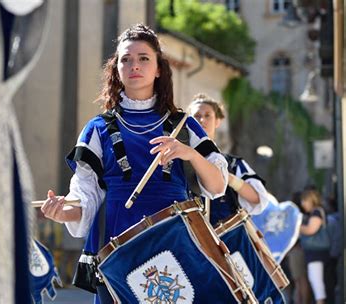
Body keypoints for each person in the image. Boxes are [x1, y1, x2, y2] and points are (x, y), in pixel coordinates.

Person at [41, 24, 228, 303]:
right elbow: (86, 199)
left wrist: (189, 154)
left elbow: (218, 185)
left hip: (173, 236)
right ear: (116, 69)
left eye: (143, 58)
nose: (134, 66)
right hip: (116, 238)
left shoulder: (183, 125)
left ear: (158, 69)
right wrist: (61, 212)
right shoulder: (97, 128)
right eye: (125, 59)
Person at [188, 94, 269, 226]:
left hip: (226, 239)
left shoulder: (233, 163)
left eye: (208, 115)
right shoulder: (179, 161)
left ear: (217, 121)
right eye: (197, 116)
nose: (202, 120)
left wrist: (227, 177)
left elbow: (258, 199)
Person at [300, 189, 329, 304]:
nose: (303, 204)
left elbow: (311, 229)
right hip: (316, 252)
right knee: (316, 280)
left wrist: (297, 226)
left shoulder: (316, 212)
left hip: (316, 253)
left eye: (304, 200)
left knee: (316, 280)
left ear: (311, 200)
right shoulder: (315, 212)